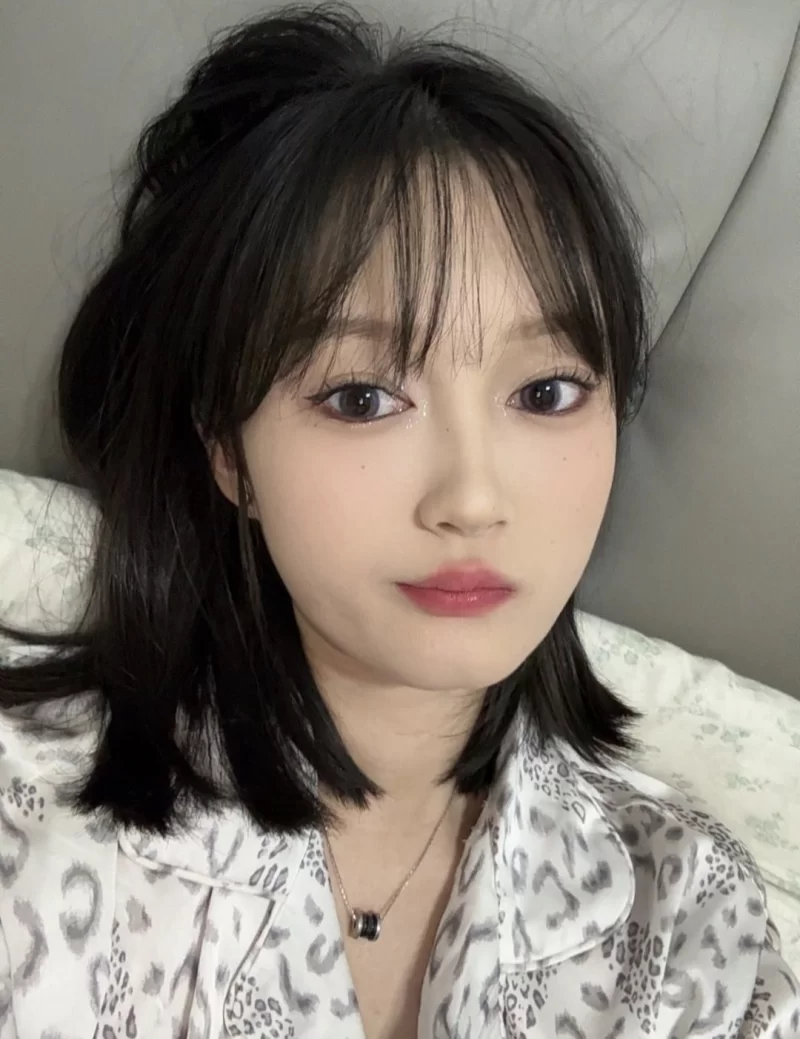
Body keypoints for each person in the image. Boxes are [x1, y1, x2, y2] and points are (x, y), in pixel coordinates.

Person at [0, 4, 797, 1037]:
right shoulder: (27, 821)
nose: (471, 499)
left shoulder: (684, 911)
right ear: (228, 451)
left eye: (546, 392)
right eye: (363, 397)